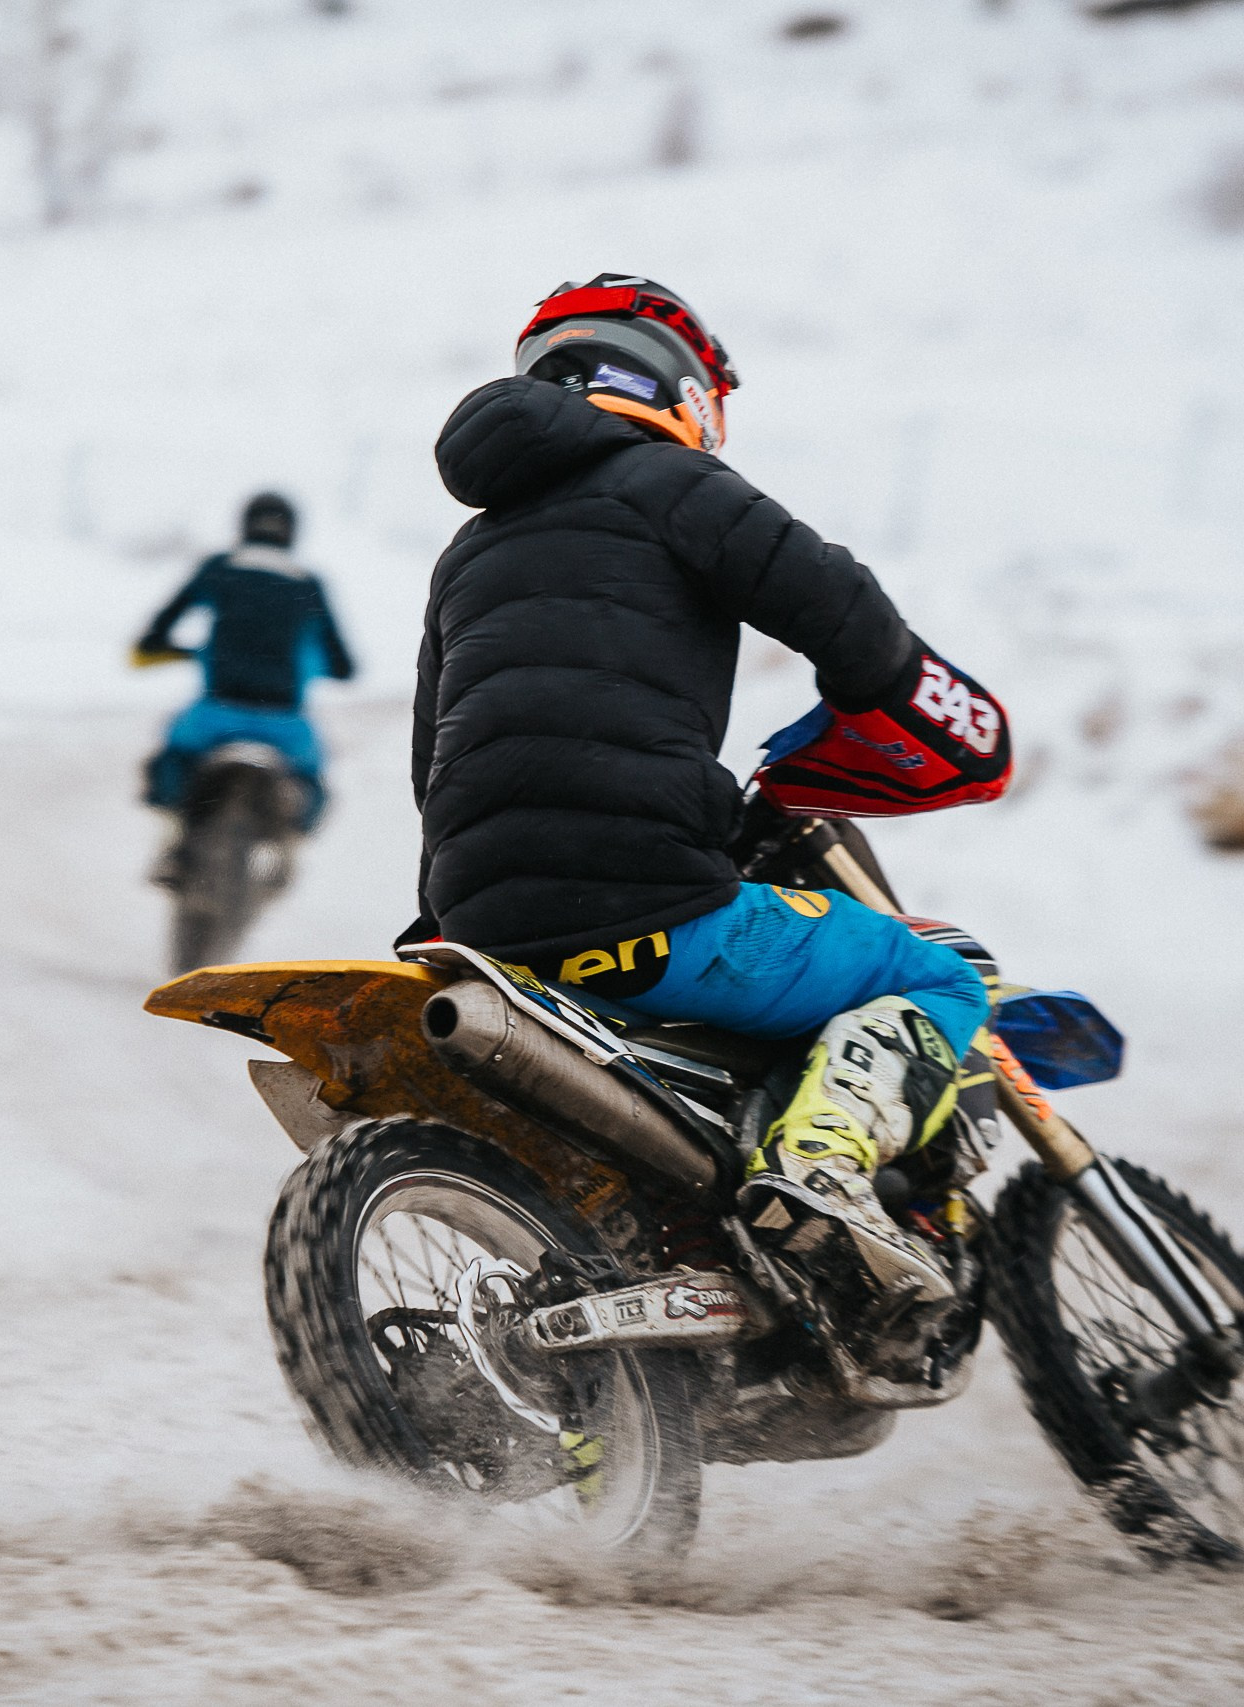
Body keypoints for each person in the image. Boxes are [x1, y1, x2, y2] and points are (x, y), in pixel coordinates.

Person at [409, 277, 1013, 1324]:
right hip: (647, 908)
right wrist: (904, 693)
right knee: (942, 971)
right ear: (671, 383)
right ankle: (821, 1162)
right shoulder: (664, 480)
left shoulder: (469, 554)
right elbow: (840, 607)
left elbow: (433, 764)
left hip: (486, 932)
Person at [133, 492, 355, 865]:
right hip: (286, 727)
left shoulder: (219, 568)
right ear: (293, 532)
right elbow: (344, 664)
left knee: (171, 760)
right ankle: (287, 855)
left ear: (244, 525)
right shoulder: (308, 584)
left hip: (215, 717)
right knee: (312, 784)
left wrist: (165, 647)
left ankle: (172, 844)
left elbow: (159, 628)